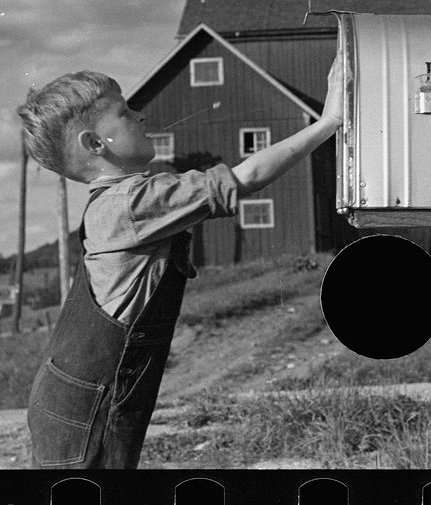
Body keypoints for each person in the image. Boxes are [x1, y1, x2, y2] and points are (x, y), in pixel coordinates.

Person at [17, 48, 343, 468]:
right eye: (125, 112)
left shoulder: (117, 203)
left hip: (74, 396)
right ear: (96, 143)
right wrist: (329, 122)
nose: (141, 116)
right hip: (90, 407)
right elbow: (247, 177)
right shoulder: (132, 203)